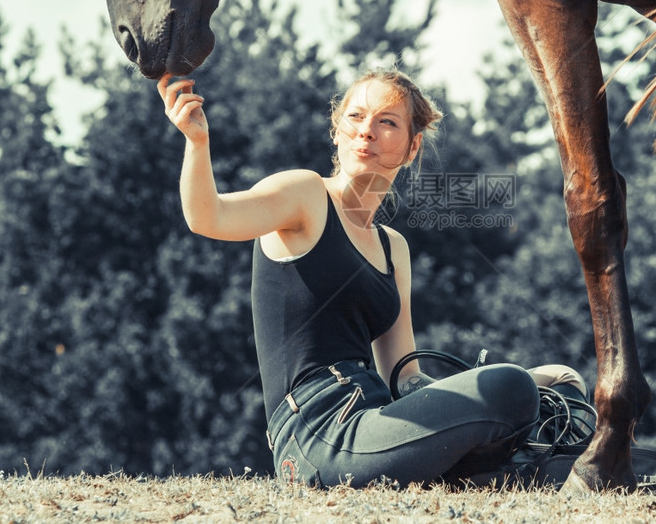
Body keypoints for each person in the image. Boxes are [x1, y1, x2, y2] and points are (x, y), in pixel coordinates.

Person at [157, 68, 558, 488]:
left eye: (387, 122)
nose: (366, 131)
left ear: (411, 146)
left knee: (557, 389)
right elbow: (208, 216)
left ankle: (509, 464)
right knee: (511, 386)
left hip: (379, 419)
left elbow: (404, 378)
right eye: (355, 117)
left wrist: (512, 385)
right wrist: (197, 142)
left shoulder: (393, 247)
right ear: (336, 131)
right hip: (316, 433)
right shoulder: (305, 194)